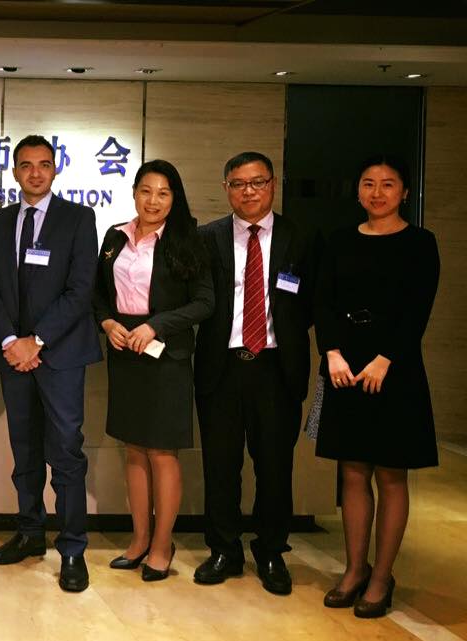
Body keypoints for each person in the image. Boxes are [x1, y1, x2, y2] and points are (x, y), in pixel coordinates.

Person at [314, 156, 439, 618]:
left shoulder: (420, 243)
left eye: (388, 184)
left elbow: (417, 309)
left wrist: (386, 358)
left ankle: (382, 577)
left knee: (390, 473)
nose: (377, 192)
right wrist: (331, 352)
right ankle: (354, 569)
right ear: (358, 191)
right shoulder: (340, 240)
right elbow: (322, 300)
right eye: (368, 183)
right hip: (345, 365)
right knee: (352, 470)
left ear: (404, 192)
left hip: (396, 367)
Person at [193, 151, 317, 595]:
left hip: (275, 368)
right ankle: (223, 549)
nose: (249, 191)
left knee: (275, 467)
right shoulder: (207, 238)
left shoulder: (300, 238)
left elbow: (309, 303)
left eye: (258, 182)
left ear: (273, 185)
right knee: (220, 466)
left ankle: (270, 551)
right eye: (239, 184)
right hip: (220, 367)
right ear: (226, 188)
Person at [0, 134, 101, 592]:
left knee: (66, 453)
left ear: (55, 169)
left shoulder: (78, 218)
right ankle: (30, 533)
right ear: (14, 171)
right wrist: (12, 340)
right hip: (14, 356)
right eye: (26, 165)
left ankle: (72, 548)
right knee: (25, 451)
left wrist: (38, 340)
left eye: (44, 164)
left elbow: (81, 289)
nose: (35, 172)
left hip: (61, 355)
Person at [92, 159, 213, 581]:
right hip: (125, 354)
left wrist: (156, 325)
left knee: (162, 453)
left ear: (174, 198)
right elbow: (98, 293)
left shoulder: (188, 240)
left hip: (166, 358)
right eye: (146, 191)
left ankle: (163, 544)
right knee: (134, 449)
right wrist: (108, 323)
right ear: (134, 193)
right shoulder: (115, 237)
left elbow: (204, 302)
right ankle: (140, 539)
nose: (153, 200)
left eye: (163, 193)